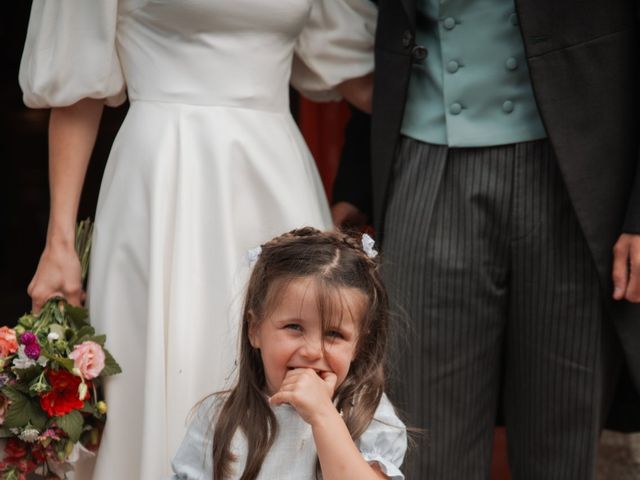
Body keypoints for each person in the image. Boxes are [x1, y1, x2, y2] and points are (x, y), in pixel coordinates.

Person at [18, 1, 376, 478]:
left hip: (276, 176)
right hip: (162, 183)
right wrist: (59, 241)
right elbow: (76, 80)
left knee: (296, 341)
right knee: (165, 360)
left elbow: (357, 68)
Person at [332, 1, 640, 479]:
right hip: (425, 163)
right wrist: (356, 181)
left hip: (575, 172)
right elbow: (385, 26)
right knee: (422, 444)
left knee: (561, 441)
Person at [169, 227, 407, 480]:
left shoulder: (366, 414)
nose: (313, 351)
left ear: (358, 344)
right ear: (255, 330)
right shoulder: (219, 418)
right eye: (294, 327)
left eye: (334, 334)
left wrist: (323, 416)